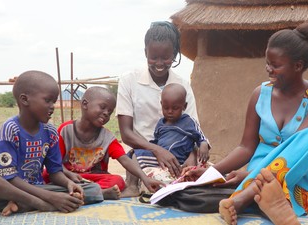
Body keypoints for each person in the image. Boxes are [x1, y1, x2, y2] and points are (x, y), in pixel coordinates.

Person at [183, 20, 308, 224]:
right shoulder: (260, 94)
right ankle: (268, 199)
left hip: (303, 175)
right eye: (267, 63)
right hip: (257, 170)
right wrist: (212, 172)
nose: (268, 69)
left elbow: (302, 150)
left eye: (275, 65)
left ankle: (243, 198)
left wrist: (250, 175)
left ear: (298, 66)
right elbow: (246, 147)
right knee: (258, 181)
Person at [0, 70, 103, 216]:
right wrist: (49, 197)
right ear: (25, 100)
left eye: (54, 101)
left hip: (35, 189)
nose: (53, 106)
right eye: (48, 100)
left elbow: (55, 173)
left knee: (91, 189)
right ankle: (39, 204)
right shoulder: (10, 130)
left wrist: (68, 183)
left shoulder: (50, 132)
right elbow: (9, 179)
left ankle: (23, 205)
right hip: (3, 192)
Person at [116, 21, 203, 197]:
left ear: (175, 55)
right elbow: (126, 133)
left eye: (166, 57)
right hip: (144, 153)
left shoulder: (182, 85)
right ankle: (134, 185)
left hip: (179, 154)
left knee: (200, 180)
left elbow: (194, 129)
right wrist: (157, 150)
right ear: (145, 52)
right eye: (153, 56)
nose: (159, 63)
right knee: (148, 183)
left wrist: (191, 158)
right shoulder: (129, 81)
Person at [51, 86, 164, 200]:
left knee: (117, 181)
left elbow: (124, 159)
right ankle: (98, 193)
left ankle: (79, 194)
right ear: (85, 104)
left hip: (91, 179)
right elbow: (55, 162)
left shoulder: (107, 137)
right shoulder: (65, 130)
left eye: (110, 112)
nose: (106, 114)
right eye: (102, 107)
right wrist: (68, 175)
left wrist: (144, 178)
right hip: (67, 176)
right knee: (48, 173)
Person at [133, 83, 210, 184]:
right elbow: (156, 142)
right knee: (134, 154)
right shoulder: (161, 123)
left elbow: (201, 137)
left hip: (180, 159)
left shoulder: (189, 121)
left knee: (205, 168)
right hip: (161, 158)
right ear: (161, 104)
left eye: (175, 108)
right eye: (166, 108)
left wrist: (204, 144)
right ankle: (133, 184)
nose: (170, 111)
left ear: (184, 106)